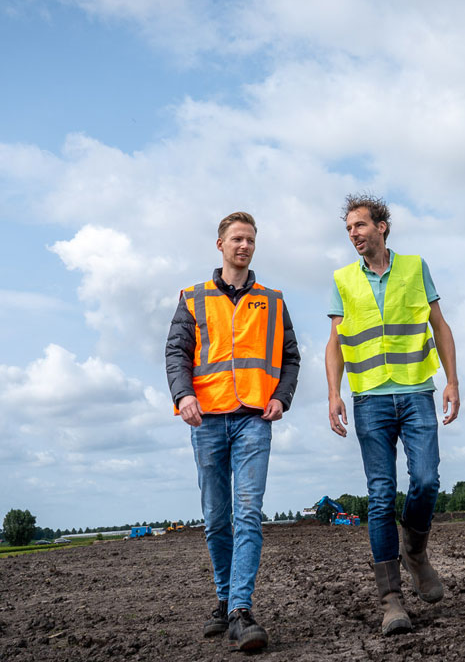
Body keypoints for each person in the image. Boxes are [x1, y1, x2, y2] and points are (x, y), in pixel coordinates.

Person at [325, 194, 460, 635]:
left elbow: (440, 325)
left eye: (360, 225)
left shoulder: (416, 267)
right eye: (348, 228)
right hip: (369, 399)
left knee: (425, 480)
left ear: (381, 227)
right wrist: (334, 393)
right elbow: (335, 342)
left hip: (417, 391)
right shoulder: (342, 279)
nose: (353, 234)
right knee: (381, 496)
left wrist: (452, 382)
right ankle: (391, 601)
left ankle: (415, 552)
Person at [165, 211, 300, 652]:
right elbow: (176, 352)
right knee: (216, 518)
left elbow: (291, 356)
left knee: (247, 513)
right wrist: (183, 395)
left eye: (251, 240)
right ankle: (223, 600)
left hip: (254, 418)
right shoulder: (192, 297)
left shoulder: (273, 301)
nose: (244, 246)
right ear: (220, 244)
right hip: (205, 418)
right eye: (237, 239)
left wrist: (282, 397)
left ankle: (241, 610)